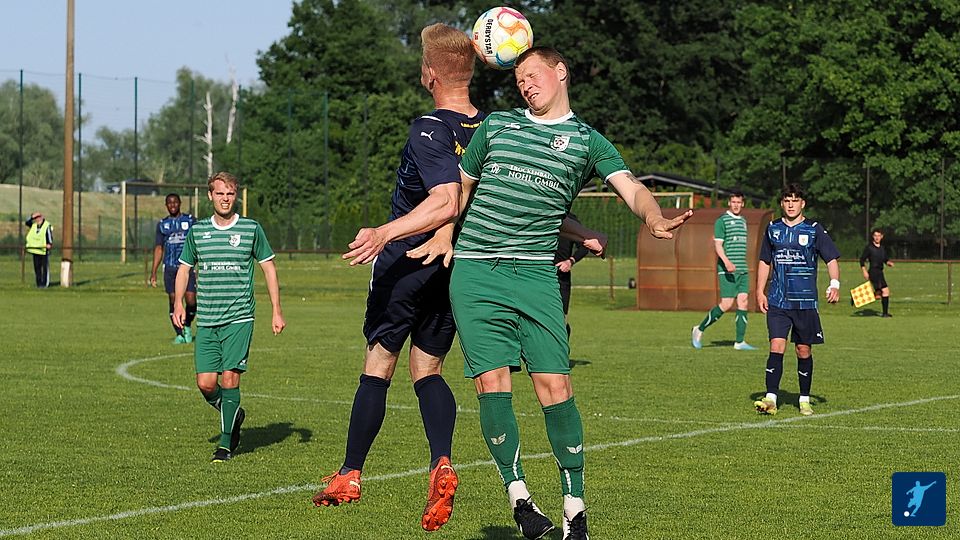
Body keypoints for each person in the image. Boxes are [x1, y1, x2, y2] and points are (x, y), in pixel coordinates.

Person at [446, 47, 692, 540]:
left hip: (536, 275)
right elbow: (457, 193)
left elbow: (631, 187)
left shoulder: (587, 141)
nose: (525, 85)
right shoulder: (496, 127)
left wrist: (653, 217)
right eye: (519, 80)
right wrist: (441, 235)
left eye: (532, 75)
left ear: (560, 72)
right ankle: (518, 496)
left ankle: (574, 509)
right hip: (476, 272)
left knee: (555, 386)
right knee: (492, 383)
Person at [311, 23, 484, 533]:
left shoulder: (428, 128)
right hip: (453, 267)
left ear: (431, 74)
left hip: (407, 264)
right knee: (428, 370)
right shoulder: (492, 129)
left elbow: (445, 199)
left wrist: (384, 232)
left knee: (378, 366)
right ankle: (441, 462)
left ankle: (349, 475)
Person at [172, 171, 285, 462]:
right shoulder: (198, 231)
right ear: (210, 195)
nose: (225, 199)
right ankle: (233, 412)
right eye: (220, 193)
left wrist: (276, 310)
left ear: (236, 196)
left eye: (230, 194)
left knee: (230, 378)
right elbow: (184, 269)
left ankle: (225, 445)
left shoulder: (250, 229)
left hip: (239, 316)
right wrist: (178, 304)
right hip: (207, 318)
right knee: (206, 384)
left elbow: (268, 267)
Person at [754, 184, 840, 417]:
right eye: (787, 200)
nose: (791, 204)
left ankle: (804, 399)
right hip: (778, 300)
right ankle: (771, 398)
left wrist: (834, 283)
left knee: (803, 350)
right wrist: (760, 291)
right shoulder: (773, 229)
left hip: (805, 302)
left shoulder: (813, 229)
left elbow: (831, 258)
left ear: (803, 203)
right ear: (782, 203)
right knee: (776, 345)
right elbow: (764, 261)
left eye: (795, 200)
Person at [692, 191, 757, 350]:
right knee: (726, 304)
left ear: (742, 204)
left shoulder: (743, 221)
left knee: (743, 302)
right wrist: (727, 262)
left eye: (738, 202)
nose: (736, 205)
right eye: (733, 202)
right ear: (729, 203)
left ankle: (739, 342)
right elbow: (718, 245)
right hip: (727, 269)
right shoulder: (722, 221)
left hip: (742, 269)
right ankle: (699, 329)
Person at [150, 194, 198, 344]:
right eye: (169, 203)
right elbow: (159, 248)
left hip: (187, 267)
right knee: (173, 299)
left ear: (180, 203)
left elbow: (199, 241)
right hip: (170, 268)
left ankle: (187, 324)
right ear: (166, 205)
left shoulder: (190, 221)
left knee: (191, 300)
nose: (172, 205)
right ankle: (179, 334)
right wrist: (153, 272)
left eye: (175, 202)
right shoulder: (162, 225)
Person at [554, 212, 591, 339]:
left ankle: (562, 347)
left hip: (561, 277)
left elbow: (584, 247)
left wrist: (570, 261)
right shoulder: (544, 215)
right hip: (541, 275)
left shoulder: (570, 220)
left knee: (561, 320)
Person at [859, 228, 894, 317]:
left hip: (880, 272)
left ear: (882, 237)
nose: (877, 237)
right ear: (873, 237)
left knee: (884, 292)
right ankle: (857, 297)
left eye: (879, 236)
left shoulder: (882, 248)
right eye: (875, 236)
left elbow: (885, 259)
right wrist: (864, 271)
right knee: (883, 292)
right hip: (873, 272)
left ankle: (885, 313)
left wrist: (888, 262)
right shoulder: (869, 248)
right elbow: (862, 259)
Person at [24, 212, 53, 288]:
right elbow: (27, 222)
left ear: (41, 217)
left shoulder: (46, 225)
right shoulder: (34, 225)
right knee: (37, 268)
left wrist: (49, 243)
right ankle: (39, 283)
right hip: (35, 250)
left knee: (44, 268)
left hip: (43, 250)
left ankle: (44, 284)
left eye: (38, 217)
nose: (37, 219)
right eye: (35, 218)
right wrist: (31, 217)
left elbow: (49, 235)